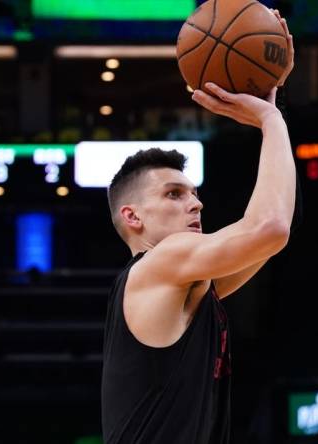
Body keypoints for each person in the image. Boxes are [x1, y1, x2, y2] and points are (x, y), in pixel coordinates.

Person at [100, 10, 295, 444]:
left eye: (193, 192)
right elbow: (271, 227)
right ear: (133, 217)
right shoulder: (160, 263)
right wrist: (271, 121)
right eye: (174, 194)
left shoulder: (189, 286)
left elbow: (269, 236)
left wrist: (269, 102)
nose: (195, 202)